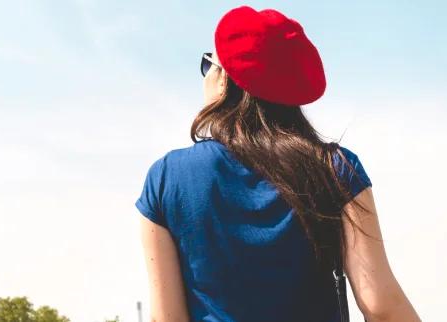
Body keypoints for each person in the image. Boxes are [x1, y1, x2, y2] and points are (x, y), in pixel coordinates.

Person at [136, 6, 421, 322]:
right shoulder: (337, 170)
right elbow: (381, 307)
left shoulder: (166, 179)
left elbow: (167, 319)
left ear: (225, 79)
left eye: (208, 64)